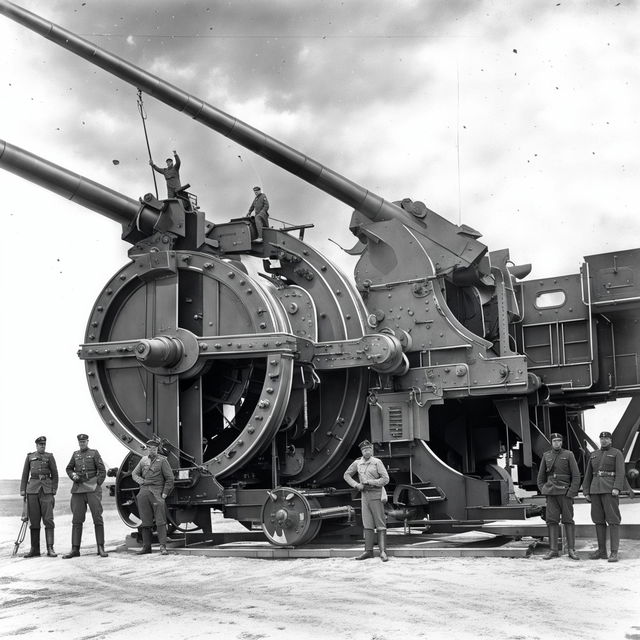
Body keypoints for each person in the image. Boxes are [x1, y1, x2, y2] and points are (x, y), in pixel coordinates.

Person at [62, 434, 108, 559]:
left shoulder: (94, 453)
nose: (82, 443)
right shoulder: (75, 454)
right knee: (76, 520)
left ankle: (100, 548)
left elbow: (102, 471)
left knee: (97, 517)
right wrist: (73, 476)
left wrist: (96, 484)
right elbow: (68, 468)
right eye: (80, 442)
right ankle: (75, 549)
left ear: (87, 441)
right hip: (78, 489)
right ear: (78, 442)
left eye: (84, 441)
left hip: (92, 489)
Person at [343, 439, 390, 561]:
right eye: (364, 450)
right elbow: (346, 475)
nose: (367, 451)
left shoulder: (377, 462)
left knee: (380, 523)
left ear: (372, 450)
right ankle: (368, 551)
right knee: (367, 523)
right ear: (361, 451)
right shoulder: (358, 463)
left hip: (376, 494)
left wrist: (371, 482)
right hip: (364, 496)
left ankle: (383, 552)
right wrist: (356, 485)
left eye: (368, 449)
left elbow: (386, 479)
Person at [536, 432, 581, 560]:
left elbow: (576, 476)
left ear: (562, 442)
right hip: (551, 494)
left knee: (568, 520)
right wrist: (544, 489)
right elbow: (540, 478)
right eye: (555, 441)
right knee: (551, 521)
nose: (557, 443)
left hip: (565, 494)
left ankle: (571, 550)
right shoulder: (546, 456)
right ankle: (553, 550)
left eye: (559, 441)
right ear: (551, 442)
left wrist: (571, 492)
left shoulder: (568, 455)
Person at [583, 430, 625, 562]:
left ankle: (614, 552)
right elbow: (588, 474)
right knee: (598, 520)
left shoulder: (617, 453)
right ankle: (602, 551)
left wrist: (617, 488)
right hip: (595, 490)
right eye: (602, 439)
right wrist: (586, 491)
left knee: (613, 521)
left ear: (610, 440)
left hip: (609, 490)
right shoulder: (594, 454)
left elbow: (620, 472)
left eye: (606, 438)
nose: (604, 441)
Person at [132, 440, 174, 555]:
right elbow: (134, 474)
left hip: (157, 492)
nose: (152, 450)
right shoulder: (143, 460)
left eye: (155, 448)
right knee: (145, 521)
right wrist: (142, 482)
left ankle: (163, 546)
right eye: (150, 448)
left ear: (157, 449)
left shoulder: (163, 461)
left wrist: (164, 493)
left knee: (160, 521)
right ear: (147, 448)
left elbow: (170, 479)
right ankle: (146, 547)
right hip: (144, 492)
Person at [19, 436, 59, 558]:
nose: (43, 446)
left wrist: (53, 489)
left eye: (44, 444)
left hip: (46, 490)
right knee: (34, 521)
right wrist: (23, 489)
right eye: (40, 444)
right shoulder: (30, 457)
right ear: (36, 445)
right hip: (32, 491)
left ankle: (50, 548)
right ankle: (34, 549)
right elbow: (25, 474)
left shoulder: (50, 456)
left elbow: (55, 474)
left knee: (48, 520)